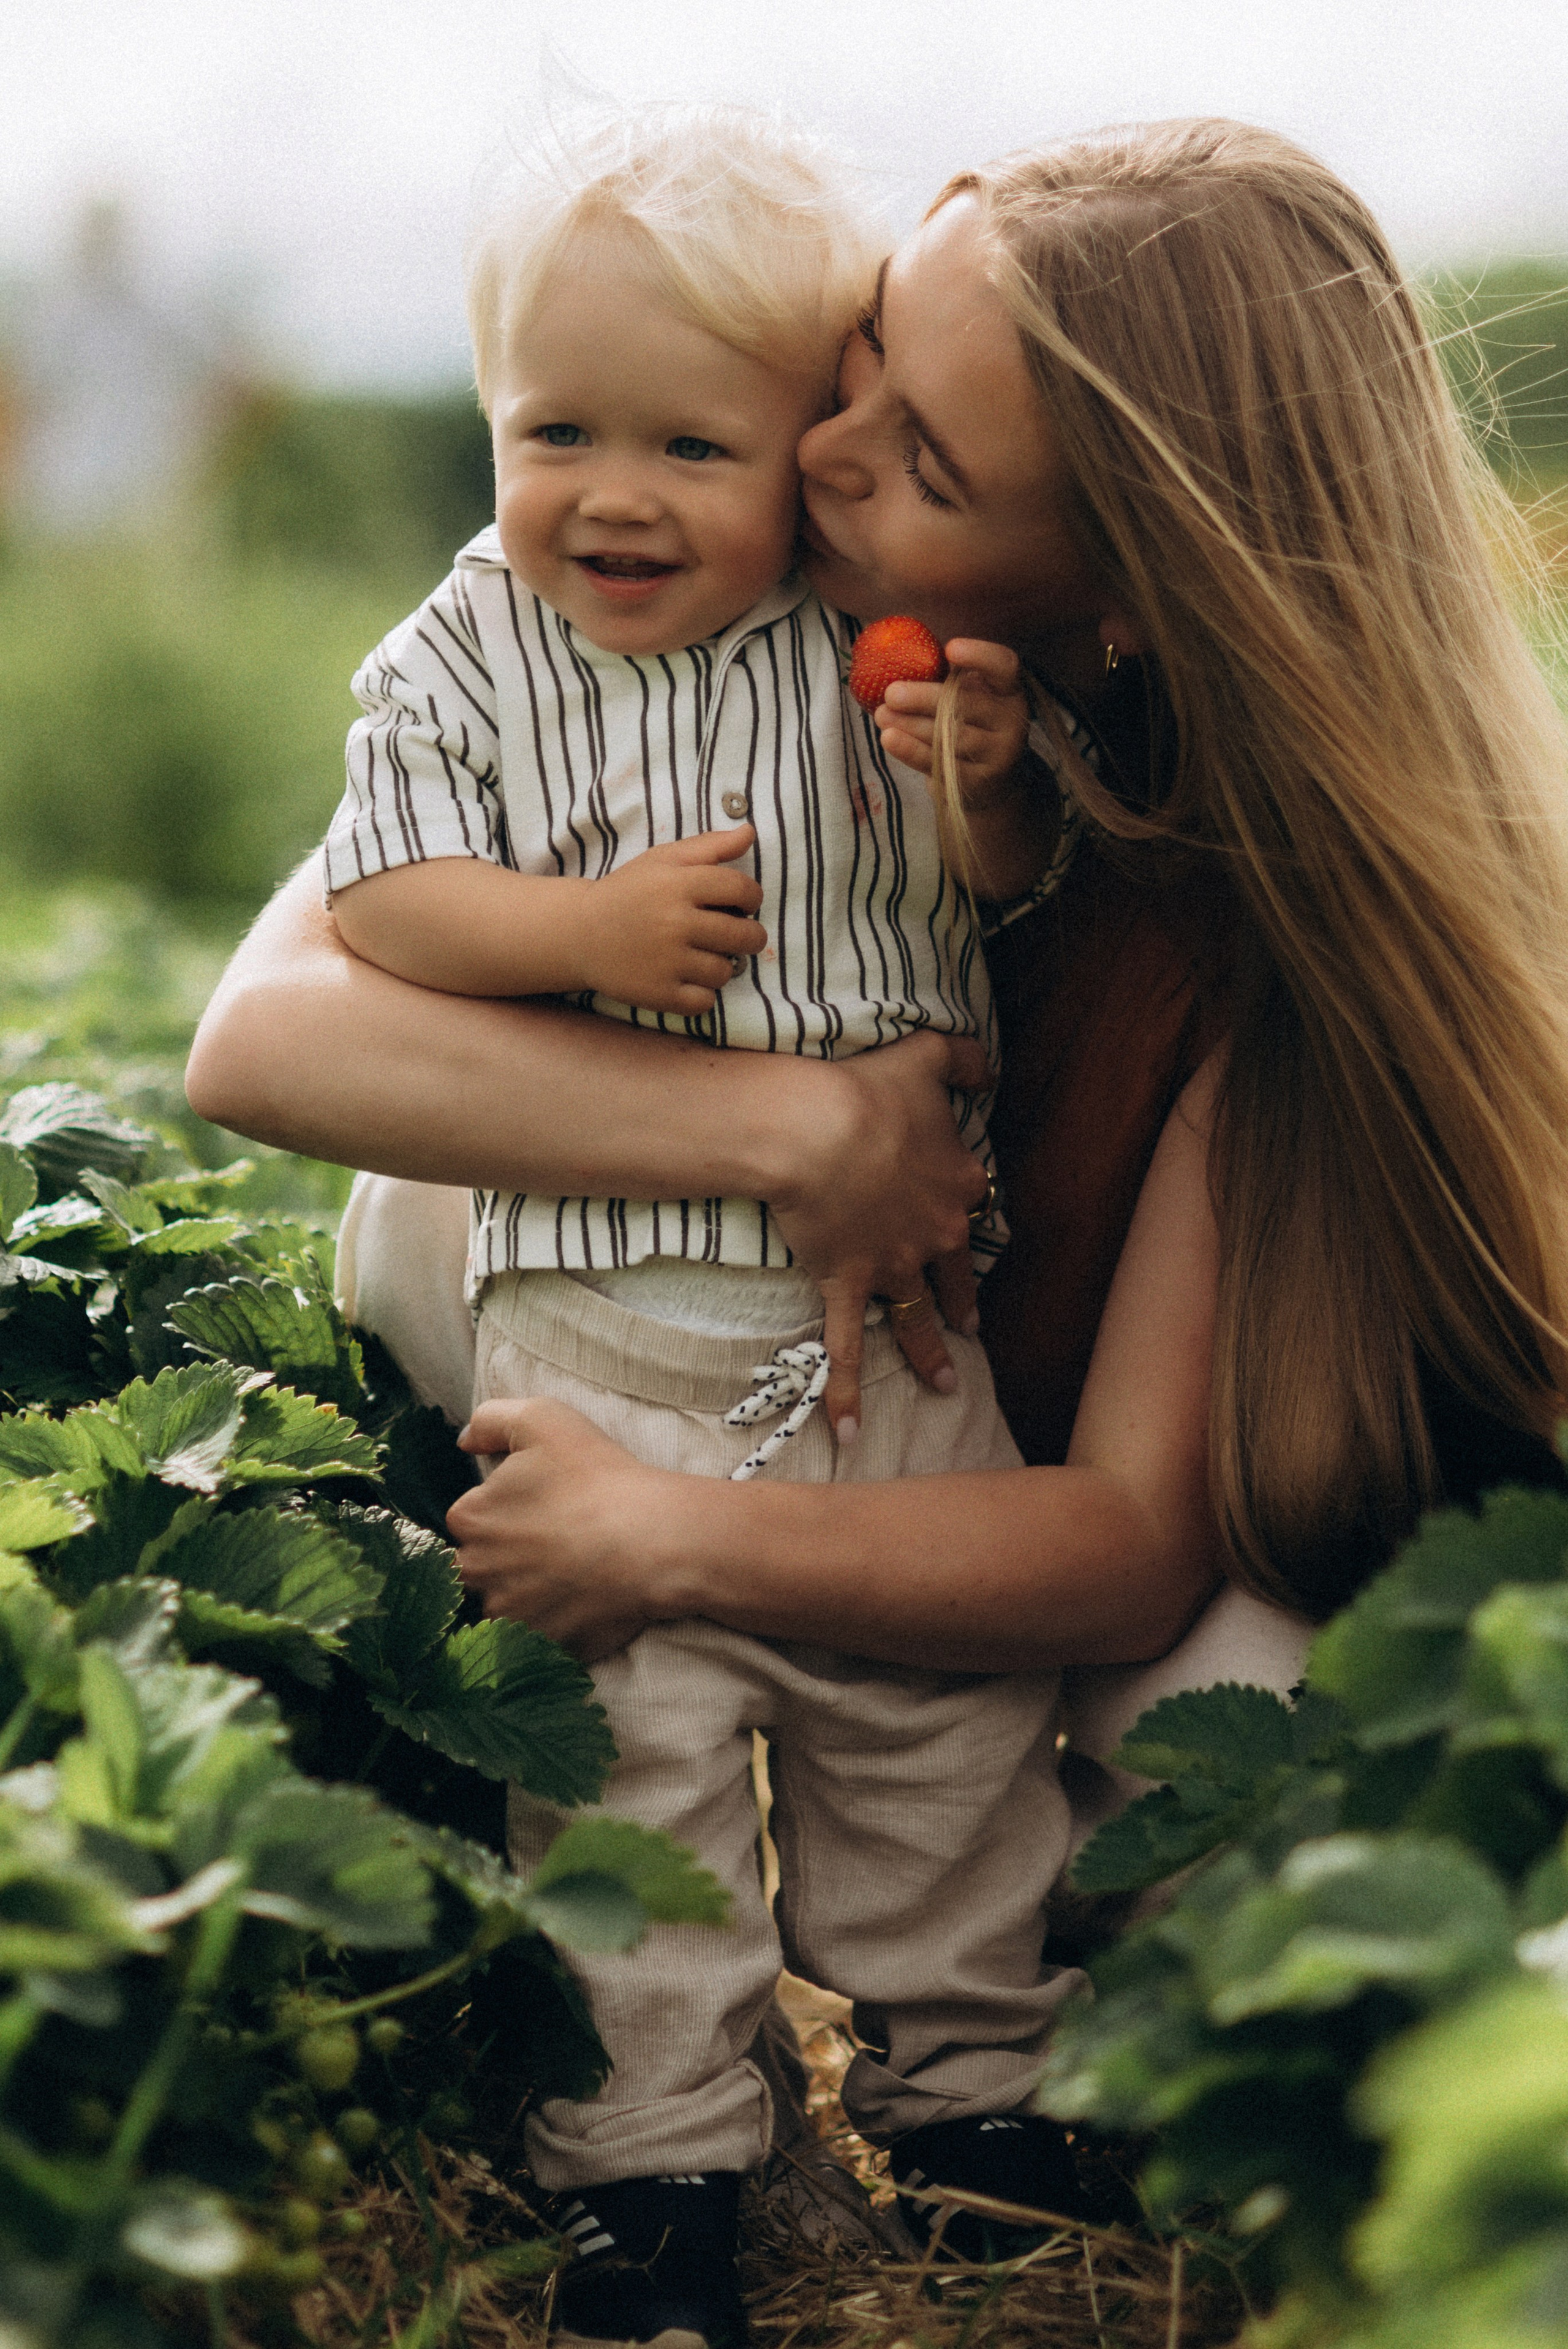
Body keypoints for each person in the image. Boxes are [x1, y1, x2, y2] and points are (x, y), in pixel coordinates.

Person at [187, 116, 1568, 2342]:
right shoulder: (642, 631)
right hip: (650, 1320)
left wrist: (670, 1542)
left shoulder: (1249, 931)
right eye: (851, 363)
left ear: (1119, 596)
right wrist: (793, 1128)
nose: (808, 453)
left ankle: (1020, 2087)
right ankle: (662, 2131)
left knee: (1217, 1723)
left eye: (913, 453)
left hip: (997, 1491)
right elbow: (264, 1033)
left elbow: (1123, 1533)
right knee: (432, 1188)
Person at [306, 104, 1153, 2345]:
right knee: (630, 1763)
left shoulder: (871, 632)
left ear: (806, 453)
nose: (610, 490)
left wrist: (978, 786)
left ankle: (977, 2095)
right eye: (550, 426)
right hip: (602, 1315)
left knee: (941, 1734)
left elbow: (1009, 893)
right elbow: (382, 894)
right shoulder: (472, 645)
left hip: (895, 1310)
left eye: (693, 441)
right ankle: (652, 2155)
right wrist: (573, 922)